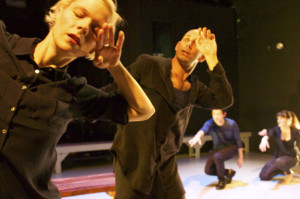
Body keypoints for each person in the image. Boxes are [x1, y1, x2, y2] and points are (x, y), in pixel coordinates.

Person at [0, 0, 155, 198]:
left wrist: (114, 66)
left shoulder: (74, 93)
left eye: (95, 29)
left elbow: (143, 110)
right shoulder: (3, 45)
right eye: (79, 14)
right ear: (59, 11)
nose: (83, 27)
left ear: (95, 47)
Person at [111, 27, 233, 198]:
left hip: (165, 165)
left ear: (202, 56)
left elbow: (223, 100)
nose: (189, 43)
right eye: (186, 38)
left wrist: (213, 56)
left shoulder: (195, 88)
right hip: (133, 162)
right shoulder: (149, 65)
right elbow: (114, 91)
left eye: (196, 42)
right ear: (177, 46)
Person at [189, 109, 243, 189]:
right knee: (208, 170)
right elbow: (203, 130)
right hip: (217, 149)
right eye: (214, 114)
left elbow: (238, 140)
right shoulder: (210, 123)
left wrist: (241, 157)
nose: (216, 116)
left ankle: (222, 180)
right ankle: (228, 172)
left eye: (218, 114)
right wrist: (197, 136)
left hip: (231, 147)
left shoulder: (232, 124)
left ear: (224, 114)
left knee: (217, 156)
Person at [259, 110, 300, 184]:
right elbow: (269, 134)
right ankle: (281, 170)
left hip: (291, 158)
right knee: (264, 176)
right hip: (277, 158)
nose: (278, 121)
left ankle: (289, 173)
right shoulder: (276, 129)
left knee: (279, 161)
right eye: (278, 119)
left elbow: (299, 148)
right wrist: (264, 139)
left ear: (288, 120)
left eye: (281, 119)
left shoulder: (295, 131)